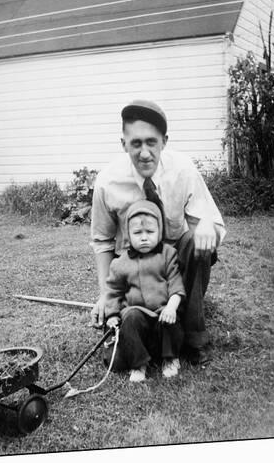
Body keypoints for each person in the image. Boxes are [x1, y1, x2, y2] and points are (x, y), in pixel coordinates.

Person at [90, 99, 226, 364]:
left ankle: (192, 337)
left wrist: (207, 224)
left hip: (176, 262)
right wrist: (106, 295)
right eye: (136, 143)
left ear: (164, 141)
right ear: (123, 144)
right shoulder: (107, 181)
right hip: (135, 265)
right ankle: (138, 326)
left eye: (151, 142)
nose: (144, 153)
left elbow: (213, 224)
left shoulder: (183, 169)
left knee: (194, 239)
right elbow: (103, 242)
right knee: (125, 335)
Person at [104, 200, 185, 382]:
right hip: (137, 317)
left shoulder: (168, 255)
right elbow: (113, 291)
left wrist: (171, 307)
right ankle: (139, 364)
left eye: (150, 232)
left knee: (170, 321)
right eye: (137, 233)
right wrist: (112, 315)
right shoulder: (120, 263)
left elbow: (176, 285)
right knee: (131, 318)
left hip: (162, 313)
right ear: (128, 235)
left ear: (160, 231)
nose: (144, 237)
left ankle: (170, 358)